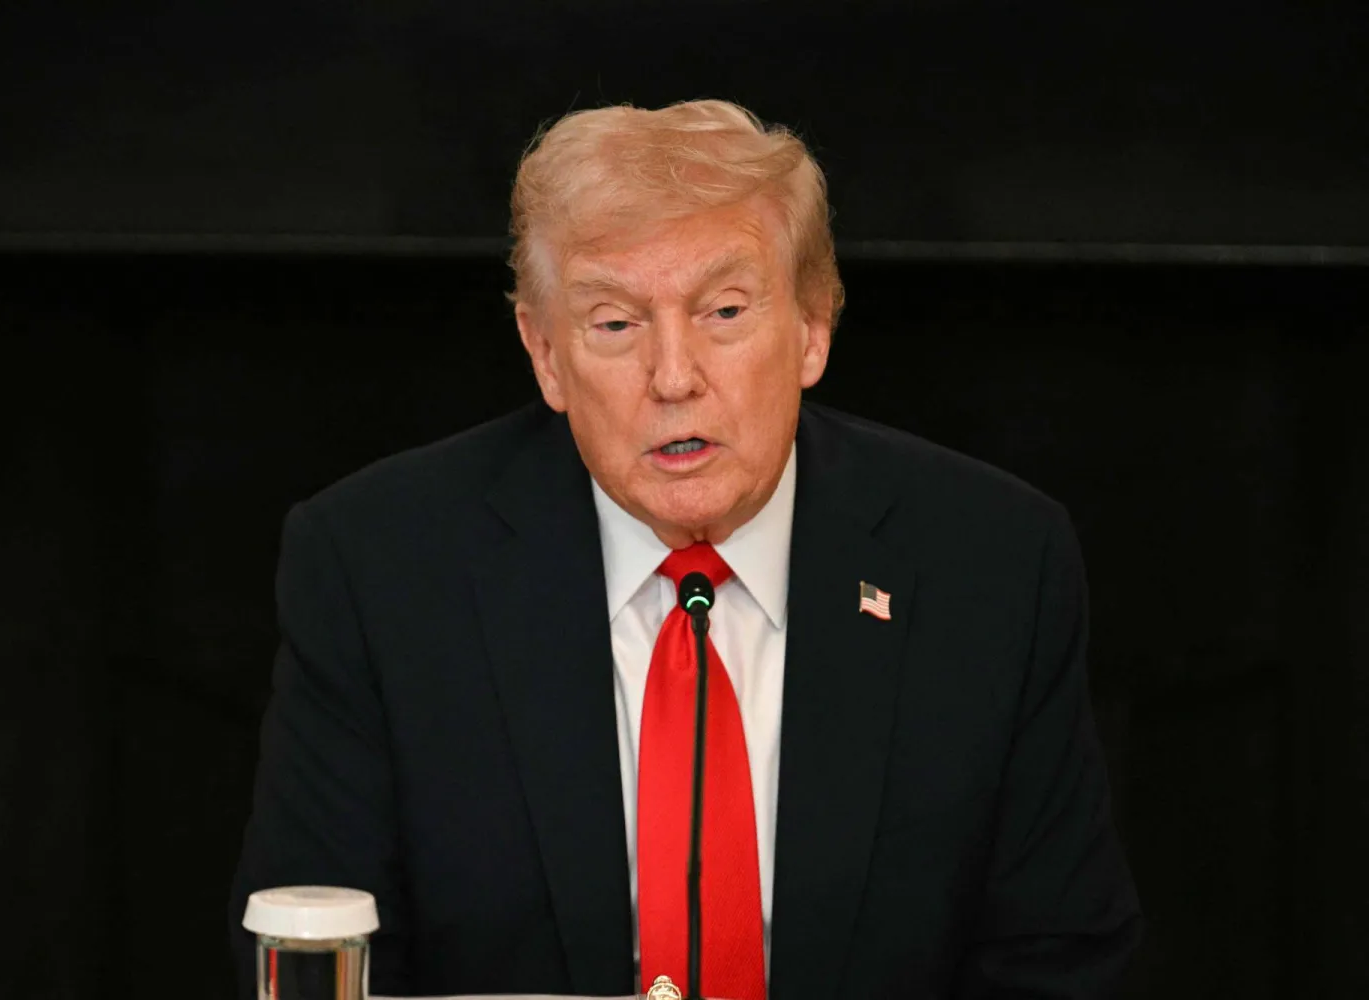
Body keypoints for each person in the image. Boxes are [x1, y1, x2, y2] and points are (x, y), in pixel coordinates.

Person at [230, 99, 1141, 999]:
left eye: (725, 311)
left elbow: (1059, 965)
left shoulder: (990, 563)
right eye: (616, 324)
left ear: (813, 326)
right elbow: (315, 954)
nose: (674, 377)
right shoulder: (377, 565)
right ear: (545, 353)